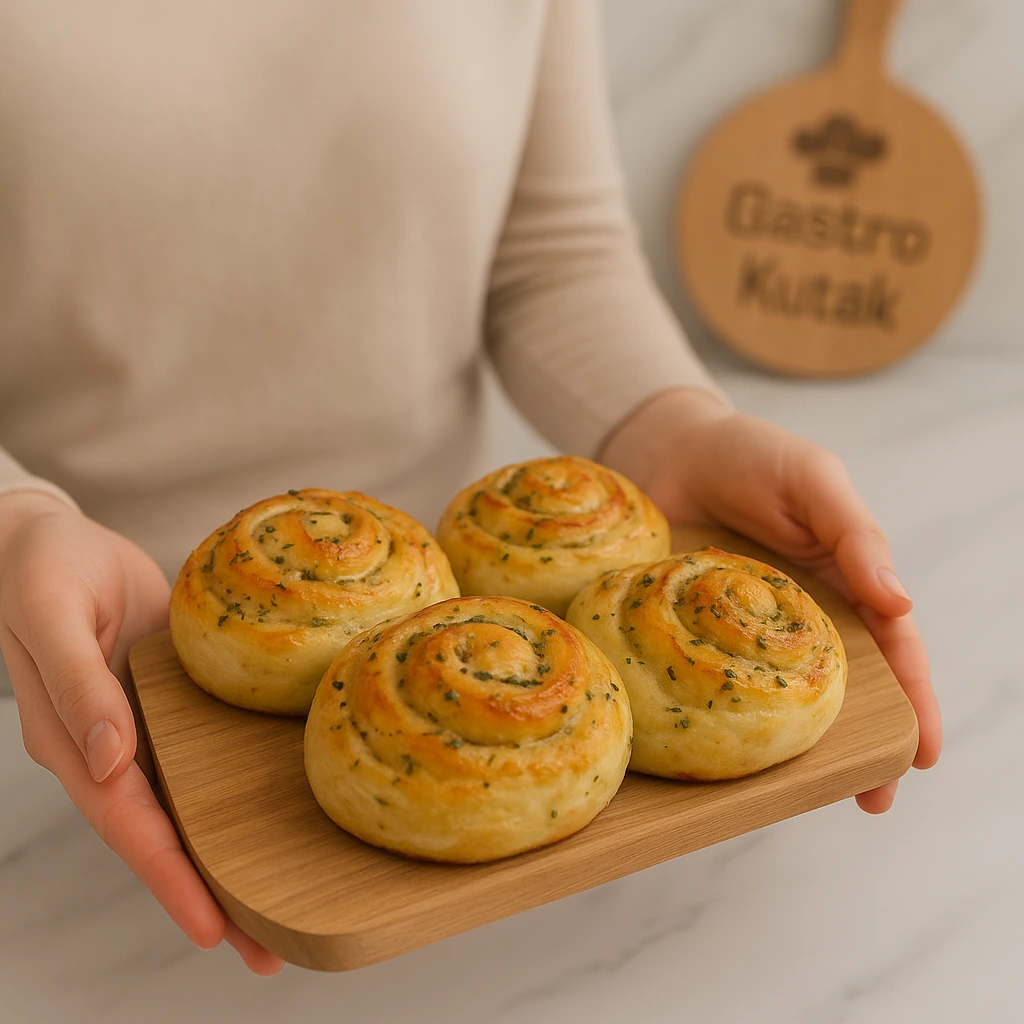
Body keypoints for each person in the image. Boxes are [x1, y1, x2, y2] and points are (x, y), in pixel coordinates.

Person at [0, 1, 940, 976]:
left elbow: (550, 252)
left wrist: (679, 428)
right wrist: (14, 520)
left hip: (451, 645)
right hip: (48, 662)